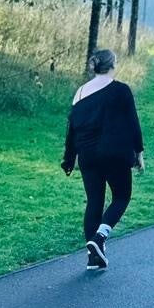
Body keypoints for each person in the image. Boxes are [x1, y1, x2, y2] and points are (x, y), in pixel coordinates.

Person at [60, 48, 145, 271]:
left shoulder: (79, 93)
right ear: (113, 65)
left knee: (94, 202)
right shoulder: (121, 90)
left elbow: (72, 128)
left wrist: (70, 157)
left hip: (87, 155)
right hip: (115, 153)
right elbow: (132, 122)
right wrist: (139, 152)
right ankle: (100, 238)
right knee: (122, 196)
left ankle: (93, 259)